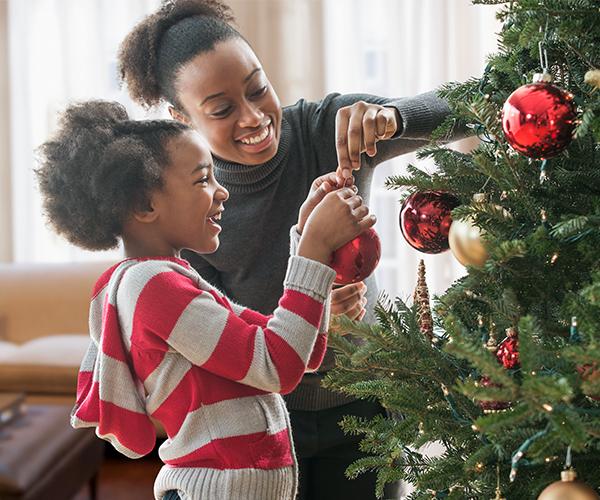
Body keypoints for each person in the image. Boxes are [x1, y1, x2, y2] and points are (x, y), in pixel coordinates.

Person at [118, 1, 462, 497]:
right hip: (263, 427)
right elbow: (220, 338)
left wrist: (395, 116)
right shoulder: (187, 208)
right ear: (180, 117)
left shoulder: (329, 130)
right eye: (221, 109)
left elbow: (469, 109)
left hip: (367, 407)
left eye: (258, 89)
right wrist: (315, 307)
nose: (254, 116)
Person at [36, 100, 375, 500]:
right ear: (146, 205)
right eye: (202, 180)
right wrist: (313, 251)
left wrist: (304, 234)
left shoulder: (168, 279)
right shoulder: (151, 285)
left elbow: (289, 351)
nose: (222, 191)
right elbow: (276, 364)